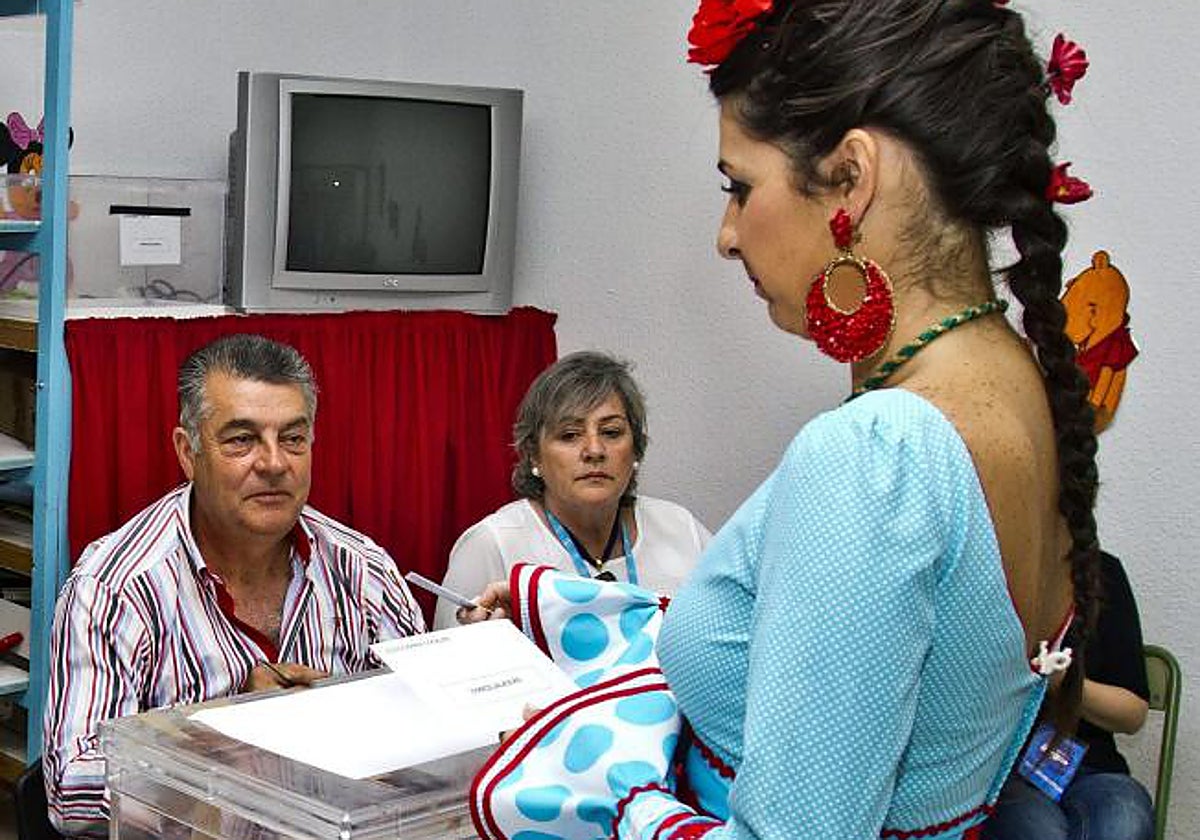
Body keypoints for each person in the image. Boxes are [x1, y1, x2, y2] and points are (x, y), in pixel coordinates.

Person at [461, 1, 1104, 838]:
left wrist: (623, 804)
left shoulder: (875, 453)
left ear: (851, 177)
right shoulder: (1018, 384)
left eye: (740, 187)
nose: (727, 236)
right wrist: (561, 606)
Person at [42, 334, 425, 837]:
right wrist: (225, 732)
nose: (273, 463)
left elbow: (428, 742)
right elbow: (72, 793)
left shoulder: (363, 568)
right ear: (188, 451)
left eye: (293, 438)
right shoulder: (115, 587)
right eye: (241, 440)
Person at [433, 350, 710, 629]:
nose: (594, 450)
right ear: (533, 455)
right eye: (569, 435)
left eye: (611, 432)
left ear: (636, 447)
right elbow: (442, 668)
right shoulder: (492, 544)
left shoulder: (681, 528)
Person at [983, 552, 1154, 840]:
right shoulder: (991, 572)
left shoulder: (1103, 573)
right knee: (1038, 832)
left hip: (1094, 768)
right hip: (1010, 769)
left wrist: (1063, 682)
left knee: (1125, 823)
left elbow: (1132, 714)